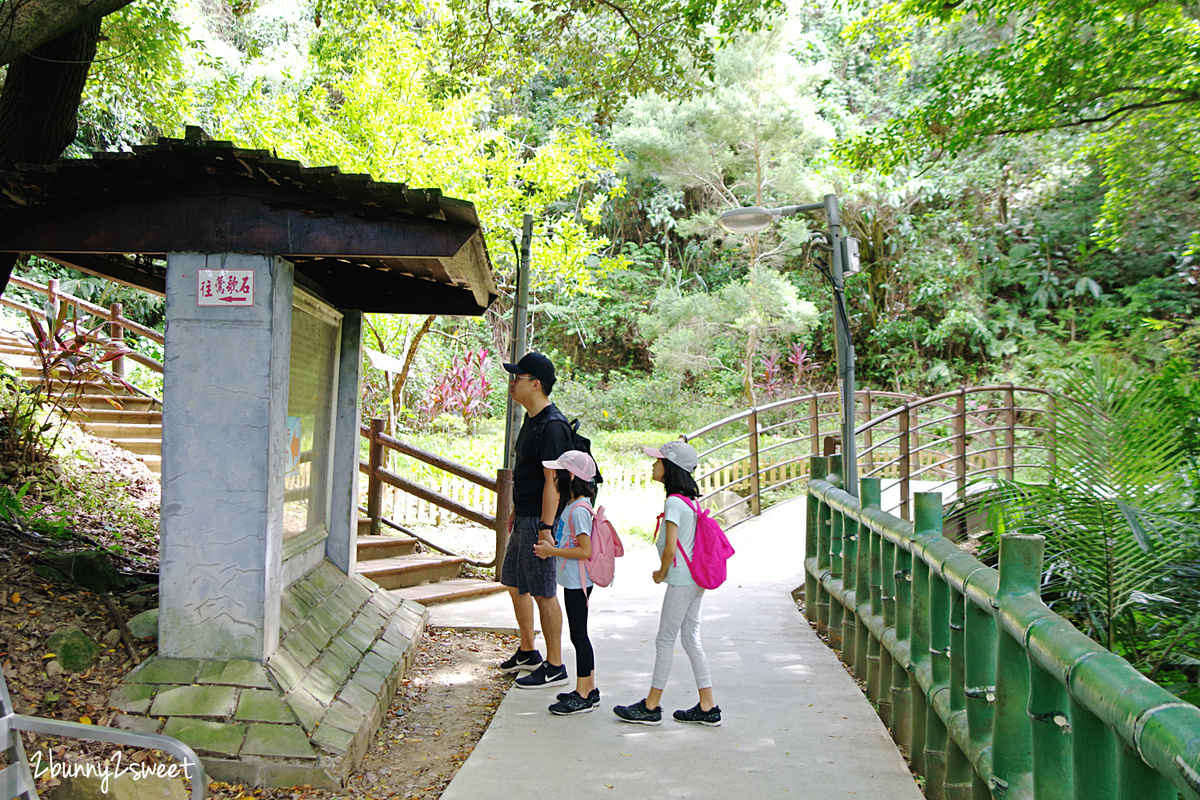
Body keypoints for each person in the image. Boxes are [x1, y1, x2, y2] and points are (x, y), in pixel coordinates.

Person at [613, 440, 722, 726]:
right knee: (690, 639)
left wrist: (661, 573)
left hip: (681, 581)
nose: (653, 464)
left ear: (670, 467)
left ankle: (651, 706)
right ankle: (708, 706)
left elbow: (671, 548)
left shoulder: (674, 502)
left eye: (658, 461)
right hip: (694, 581)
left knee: (664, 640)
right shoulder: (690, 501)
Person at [498, 352, 572, 689]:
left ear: (536, 384)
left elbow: (553, 483)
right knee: (514, 581)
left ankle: (555, 664)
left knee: (543, 591)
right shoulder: (531, 418)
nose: (513, 383)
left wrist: (546, 528)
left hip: (540, 522)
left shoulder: (552, 425)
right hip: (525, 515)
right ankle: (529, 651)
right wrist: (517, 510)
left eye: (519, 377)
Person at [534, 450, 601, 715]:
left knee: (579, 636)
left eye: (557, 473)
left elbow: (585, 550)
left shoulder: (578, 510)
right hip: (575, 580)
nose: (553, 477)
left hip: (578, 582)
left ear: (570, 475)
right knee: (579, 635)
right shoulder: (576, 506)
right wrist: (552, 545)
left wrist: (551, 552)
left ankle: (583, 693)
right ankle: (589, 688)